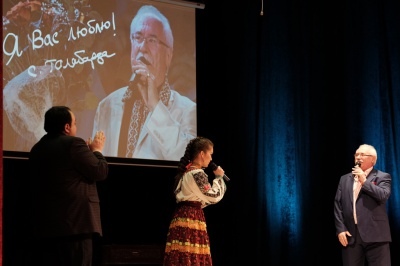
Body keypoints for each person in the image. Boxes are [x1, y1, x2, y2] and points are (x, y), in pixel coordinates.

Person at [92, 5, 196, 160]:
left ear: (168, 55)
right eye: (138, 38)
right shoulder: (107, 105)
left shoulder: (187, 110)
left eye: (152, 40)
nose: (142, 48)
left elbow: (186, 158)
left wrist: (155, 106)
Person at [28, 106, 109, 266]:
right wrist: (96, 150)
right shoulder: (74, 144)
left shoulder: (37, 148)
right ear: (67, 127)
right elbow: (100, 171)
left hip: (46, 227)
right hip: (76, 226)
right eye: (75, 123)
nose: (76, 127)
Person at [163, 136, 227, 265]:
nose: (211, 158)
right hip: (190, 217)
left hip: (182, 216)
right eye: (210, 154)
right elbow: (213, 196)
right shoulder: (197, 173)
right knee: (190, 255)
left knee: (182, 256)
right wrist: (219, 178)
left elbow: (201, 199)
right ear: (202, 154)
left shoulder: (186, 173)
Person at [334, 144, 392, 266]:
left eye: (362, 154)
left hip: (376, 235)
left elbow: (383, 195)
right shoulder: (344, 179)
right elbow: (338, 205)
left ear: (373, 159)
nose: (358, 157)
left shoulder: (383, 177)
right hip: (351, 235)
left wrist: (364, 181)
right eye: (356, 154)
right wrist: (340, 229)